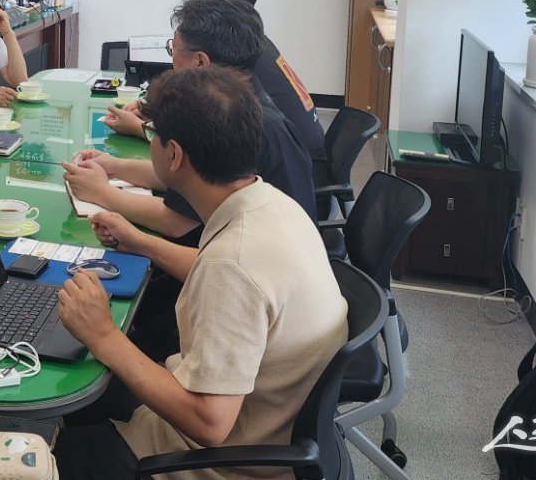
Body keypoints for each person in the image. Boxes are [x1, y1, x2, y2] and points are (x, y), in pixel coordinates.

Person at [53, 67, 348, 480]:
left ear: (173, 155)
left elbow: (210, 424)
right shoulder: (270, 202)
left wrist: (103, 334)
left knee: (47, 451)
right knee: (98, 389)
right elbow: (240, 286)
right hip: (274, 424)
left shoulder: (232, 265)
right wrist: (140, 241)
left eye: (152, 133)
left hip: (221, 462)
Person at [65, 0, 318, 239]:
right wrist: (114, 166)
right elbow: (188, 176)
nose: (171, 60)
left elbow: (175, 221)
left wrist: (102, 193)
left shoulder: (246, 124)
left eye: (172, 49)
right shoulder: (228, 104)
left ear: (200, 62)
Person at [105, 0, 327, 168]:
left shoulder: (238, 88)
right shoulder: (251, 43)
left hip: (296, 167)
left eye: (203, 6)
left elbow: (204, 146)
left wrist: (141, 128)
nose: (193, 14)